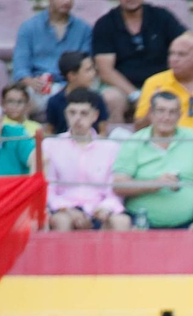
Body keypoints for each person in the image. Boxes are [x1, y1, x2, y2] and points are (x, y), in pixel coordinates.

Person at [112, 90, 193, 227]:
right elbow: (118, 185)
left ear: (180, 115)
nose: (166, 117)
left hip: (188, 224)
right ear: (151, 113)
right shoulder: (134, 141)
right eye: (161, 111)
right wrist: (155, 183)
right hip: (141, 224)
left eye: (172, 112)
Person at [90, 0, 187, 125]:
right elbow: (105, 71)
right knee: (110, 98)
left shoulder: (161, 16)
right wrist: (135, 94)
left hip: (162, 84)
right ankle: (117, 142)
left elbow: (187, 42)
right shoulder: (105, 24)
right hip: (122, 88)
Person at [44, 88, 130, 230]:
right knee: (62, 220)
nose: (77, 118)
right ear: (66, 114)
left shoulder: (110, 148)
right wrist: (66, 209)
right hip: (64, 208)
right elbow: (49, 188)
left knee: (120, 221)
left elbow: (113, 190)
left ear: (95, 116)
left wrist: (105, 209)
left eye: (84, 113)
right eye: (72, 113)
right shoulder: (51, 145)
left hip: (98, 208)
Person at [13, 0, 91, 101]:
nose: (67, 0)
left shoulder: (84, 29)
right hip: (38, 86)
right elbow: (20, 68)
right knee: (21, 99)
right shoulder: (29, 27)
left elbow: (85, 66)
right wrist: (30, 81)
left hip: (71, 88)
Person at [135, 33, 193, 138]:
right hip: (166, 149)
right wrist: (151, 110)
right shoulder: (154, 82)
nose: (174, 59)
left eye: (181, 54)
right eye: (171, 54)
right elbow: (138, 128)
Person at [44, 50, 95, 133]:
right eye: (88, 70)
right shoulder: (54, 102)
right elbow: (50, 131)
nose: (93, 73)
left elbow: (102, 131)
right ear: (71, 75)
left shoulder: (97, 99)